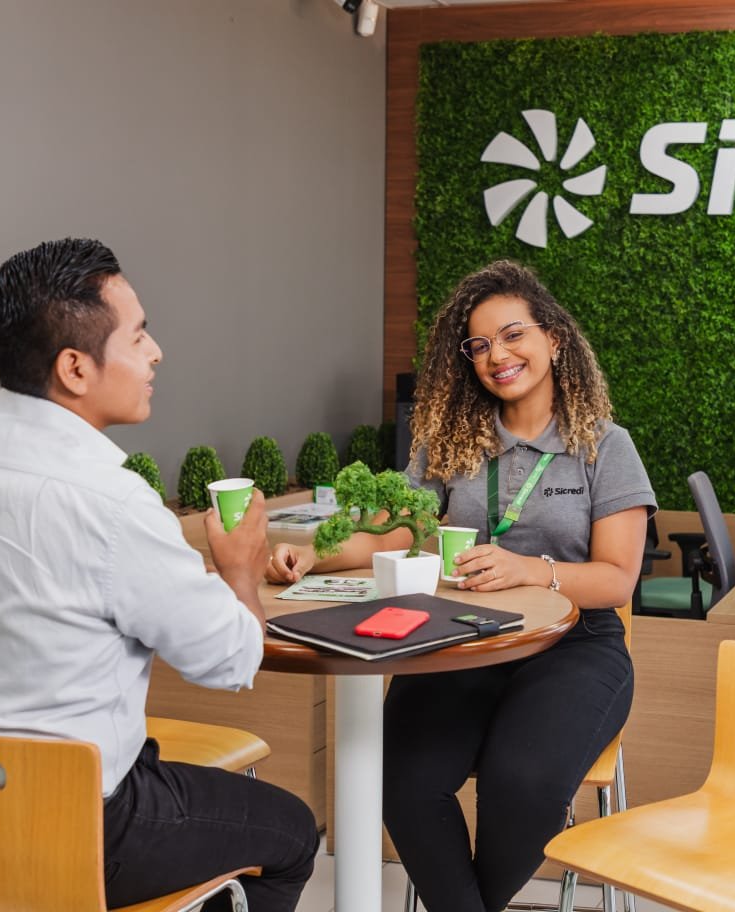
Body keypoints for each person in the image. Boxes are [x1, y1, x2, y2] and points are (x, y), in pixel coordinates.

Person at [0, 238, 318, 912]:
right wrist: (240, 570)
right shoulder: (110, 500)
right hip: (71, 824)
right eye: (138, 335)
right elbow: (229, 660)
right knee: (289, 833)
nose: (155, 352)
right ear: (76, 367)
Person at [267, 259, 656, 912]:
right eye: (479, 345)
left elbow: (617, 578)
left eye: (513, 335)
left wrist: (529, 569)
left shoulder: (604, 447)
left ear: (554, 338)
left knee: (523, 783)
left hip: (574, 644)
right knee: (403, 780)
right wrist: (312, 556)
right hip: (462, 639)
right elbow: (394, 532)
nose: (496, 356)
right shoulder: (450, 443)